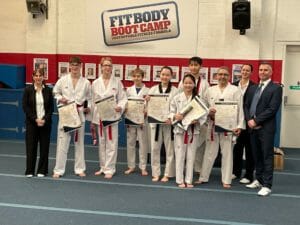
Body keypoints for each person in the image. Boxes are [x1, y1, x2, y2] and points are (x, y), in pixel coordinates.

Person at [197, 66, 245, 188]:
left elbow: (240, 109)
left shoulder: (235, 90)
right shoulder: (210, 90)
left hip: (228, 127)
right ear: (216, 76)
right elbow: (203, 107)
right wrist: (209, 112)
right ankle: (203, 177)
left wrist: (239, 126)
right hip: (212, 126)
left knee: (227, 153)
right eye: (220, 74)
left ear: (229, 76)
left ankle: (226, 179)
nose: (222, 76)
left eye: (225, 74)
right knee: (209, 152)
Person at [244, 62, 282, 196]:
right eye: (260, 70)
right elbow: (246, 106)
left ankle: (267, 185)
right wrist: (249, 120)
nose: (262, 72)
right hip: (252, 128)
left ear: (271, 72)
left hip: (266, 128)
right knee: (256, 155)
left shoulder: (276, 88)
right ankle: (258, 179)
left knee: (267, 156)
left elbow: (272, 109)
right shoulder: (253, 87)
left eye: (266, 70)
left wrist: (256, 120)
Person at [52, 56, 91, 178]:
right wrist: (60, 98)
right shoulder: (63, 80)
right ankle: (58, 169)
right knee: (62, 142)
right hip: (66, 113)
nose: (74, 67)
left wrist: (88, 107)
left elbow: (90, 98)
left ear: (80, 66)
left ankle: (79, 169)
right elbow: (55, 92)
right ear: (69, 66)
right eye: (72, 65)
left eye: (77, 65)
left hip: (79, 113)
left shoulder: (86, 82)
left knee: (79, 143)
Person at [91, 57, 127, 179]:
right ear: (101, 67)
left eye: (109, 65)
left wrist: (120, 107)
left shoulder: (117, 82)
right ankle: (103, 167)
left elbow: (123, 98)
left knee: (111, 143)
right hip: (100, 117)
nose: (107, 67)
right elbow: (92, 101)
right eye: (105, 65)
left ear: (112, 68)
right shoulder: (95, 83)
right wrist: (92, 118)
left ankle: (110, 168)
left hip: (112, 117)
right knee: (102, 143)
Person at [170, 74, 207, 188]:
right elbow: (170, 112)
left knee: (191, 155)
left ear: (194, 84)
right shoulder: (177, 98)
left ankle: (189, 179)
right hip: (180, 131)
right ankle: (180, 179)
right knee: (180, 155)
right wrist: (175, 116)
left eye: (190, 83)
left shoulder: (198, 99)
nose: (188, 85)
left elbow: (204, 114)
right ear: (182, 84)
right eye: (186, 83)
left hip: (193, 131)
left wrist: (197, 120)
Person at [178, 56, 210, 177]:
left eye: (196, 65)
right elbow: (179, 98)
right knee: (184, 144)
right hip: (185, 118)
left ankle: (197, 169)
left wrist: (201, 116)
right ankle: (184, 169)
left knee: (199, 145)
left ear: (200, 67)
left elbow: (206, 101)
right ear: (188, 66)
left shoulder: (205, 83)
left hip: (198, 118)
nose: (193, 67)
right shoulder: (183, 81)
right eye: (191, 65)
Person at [147, 66, 178, 182]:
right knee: (155, 148)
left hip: (169, 124)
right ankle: (156, 173)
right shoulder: (153, 90)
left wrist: (171, 118)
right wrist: (147, 101)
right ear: (159, 75)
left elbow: (176, 108)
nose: (165, 77)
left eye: (167, 75)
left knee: (170, 150)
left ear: (171, 76)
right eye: (163, 74)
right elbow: (148, 107)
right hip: (156, 123)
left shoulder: (175, 91)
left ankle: (167, 174)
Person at [22, 69, 53, 177]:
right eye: (36, 75)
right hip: (32, 124)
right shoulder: (28, 90)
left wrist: (44, 119)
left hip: (45, 124)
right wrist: (35, 119)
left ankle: (42, 170)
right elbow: (25, 107)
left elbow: (50, 109)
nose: (38, 77)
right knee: (31, 147)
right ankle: (30, 170)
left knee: (44, 148)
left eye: (40, 75)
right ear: (33, 76)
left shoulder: (48, 90)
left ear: (43, 77)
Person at [232, 64, 256, 184]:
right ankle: (235, 172)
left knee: (249, 149)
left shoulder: (255, 87)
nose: (245, 72)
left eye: (248, 70)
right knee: (237, 148)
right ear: (240, 72)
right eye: (243, 70)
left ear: (251, 72)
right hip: (236, 122)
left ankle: (249, 175)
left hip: (248, 122)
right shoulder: (233, 85)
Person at [124, 68, 149, 176]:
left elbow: (150, 106)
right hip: (130, 119)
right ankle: (131, 166)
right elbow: (125, 104)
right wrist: (125, 110)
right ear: (132, 77)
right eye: (135, 76)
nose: (137, 78)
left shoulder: (148, 91)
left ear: (143, 77)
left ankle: (143, 167)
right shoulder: (128, 90)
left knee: (143, 143)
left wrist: (146, 111)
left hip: (142, 120)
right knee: (130, 143)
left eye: (139, 76)